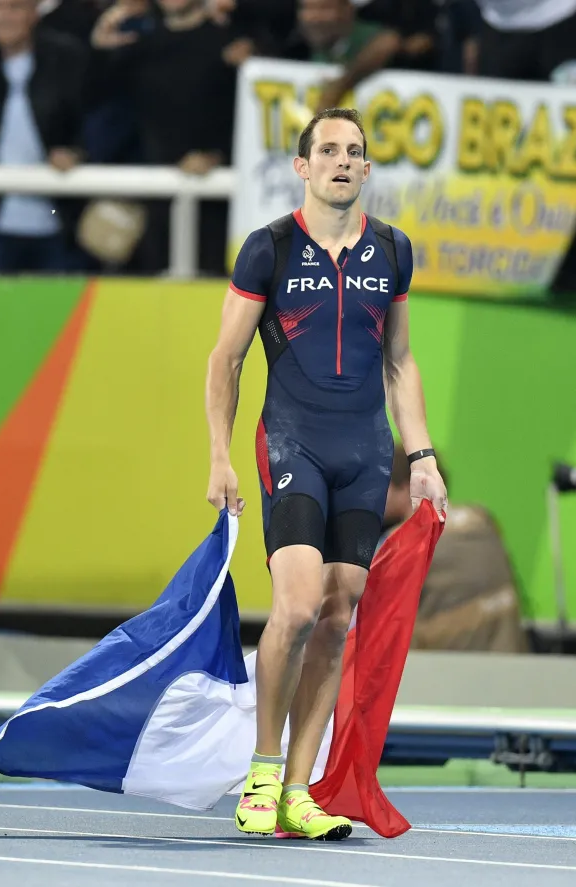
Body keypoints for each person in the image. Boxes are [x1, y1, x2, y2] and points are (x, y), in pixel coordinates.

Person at [204, 108, 446, 841]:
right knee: (301, 604)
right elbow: (226, 359)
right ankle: (263, 772)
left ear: (367, 171)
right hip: (293, 443)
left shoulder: (394, 250)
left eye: (356, 152)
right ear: (302, 167)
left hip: (366, 452)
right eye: (329, 150)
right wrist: (218, 452)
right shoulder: (268, 249)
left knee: (339, 614)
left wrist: (423, 456)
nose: (343, 161)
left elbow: (400, 361)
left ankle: (301, 791)